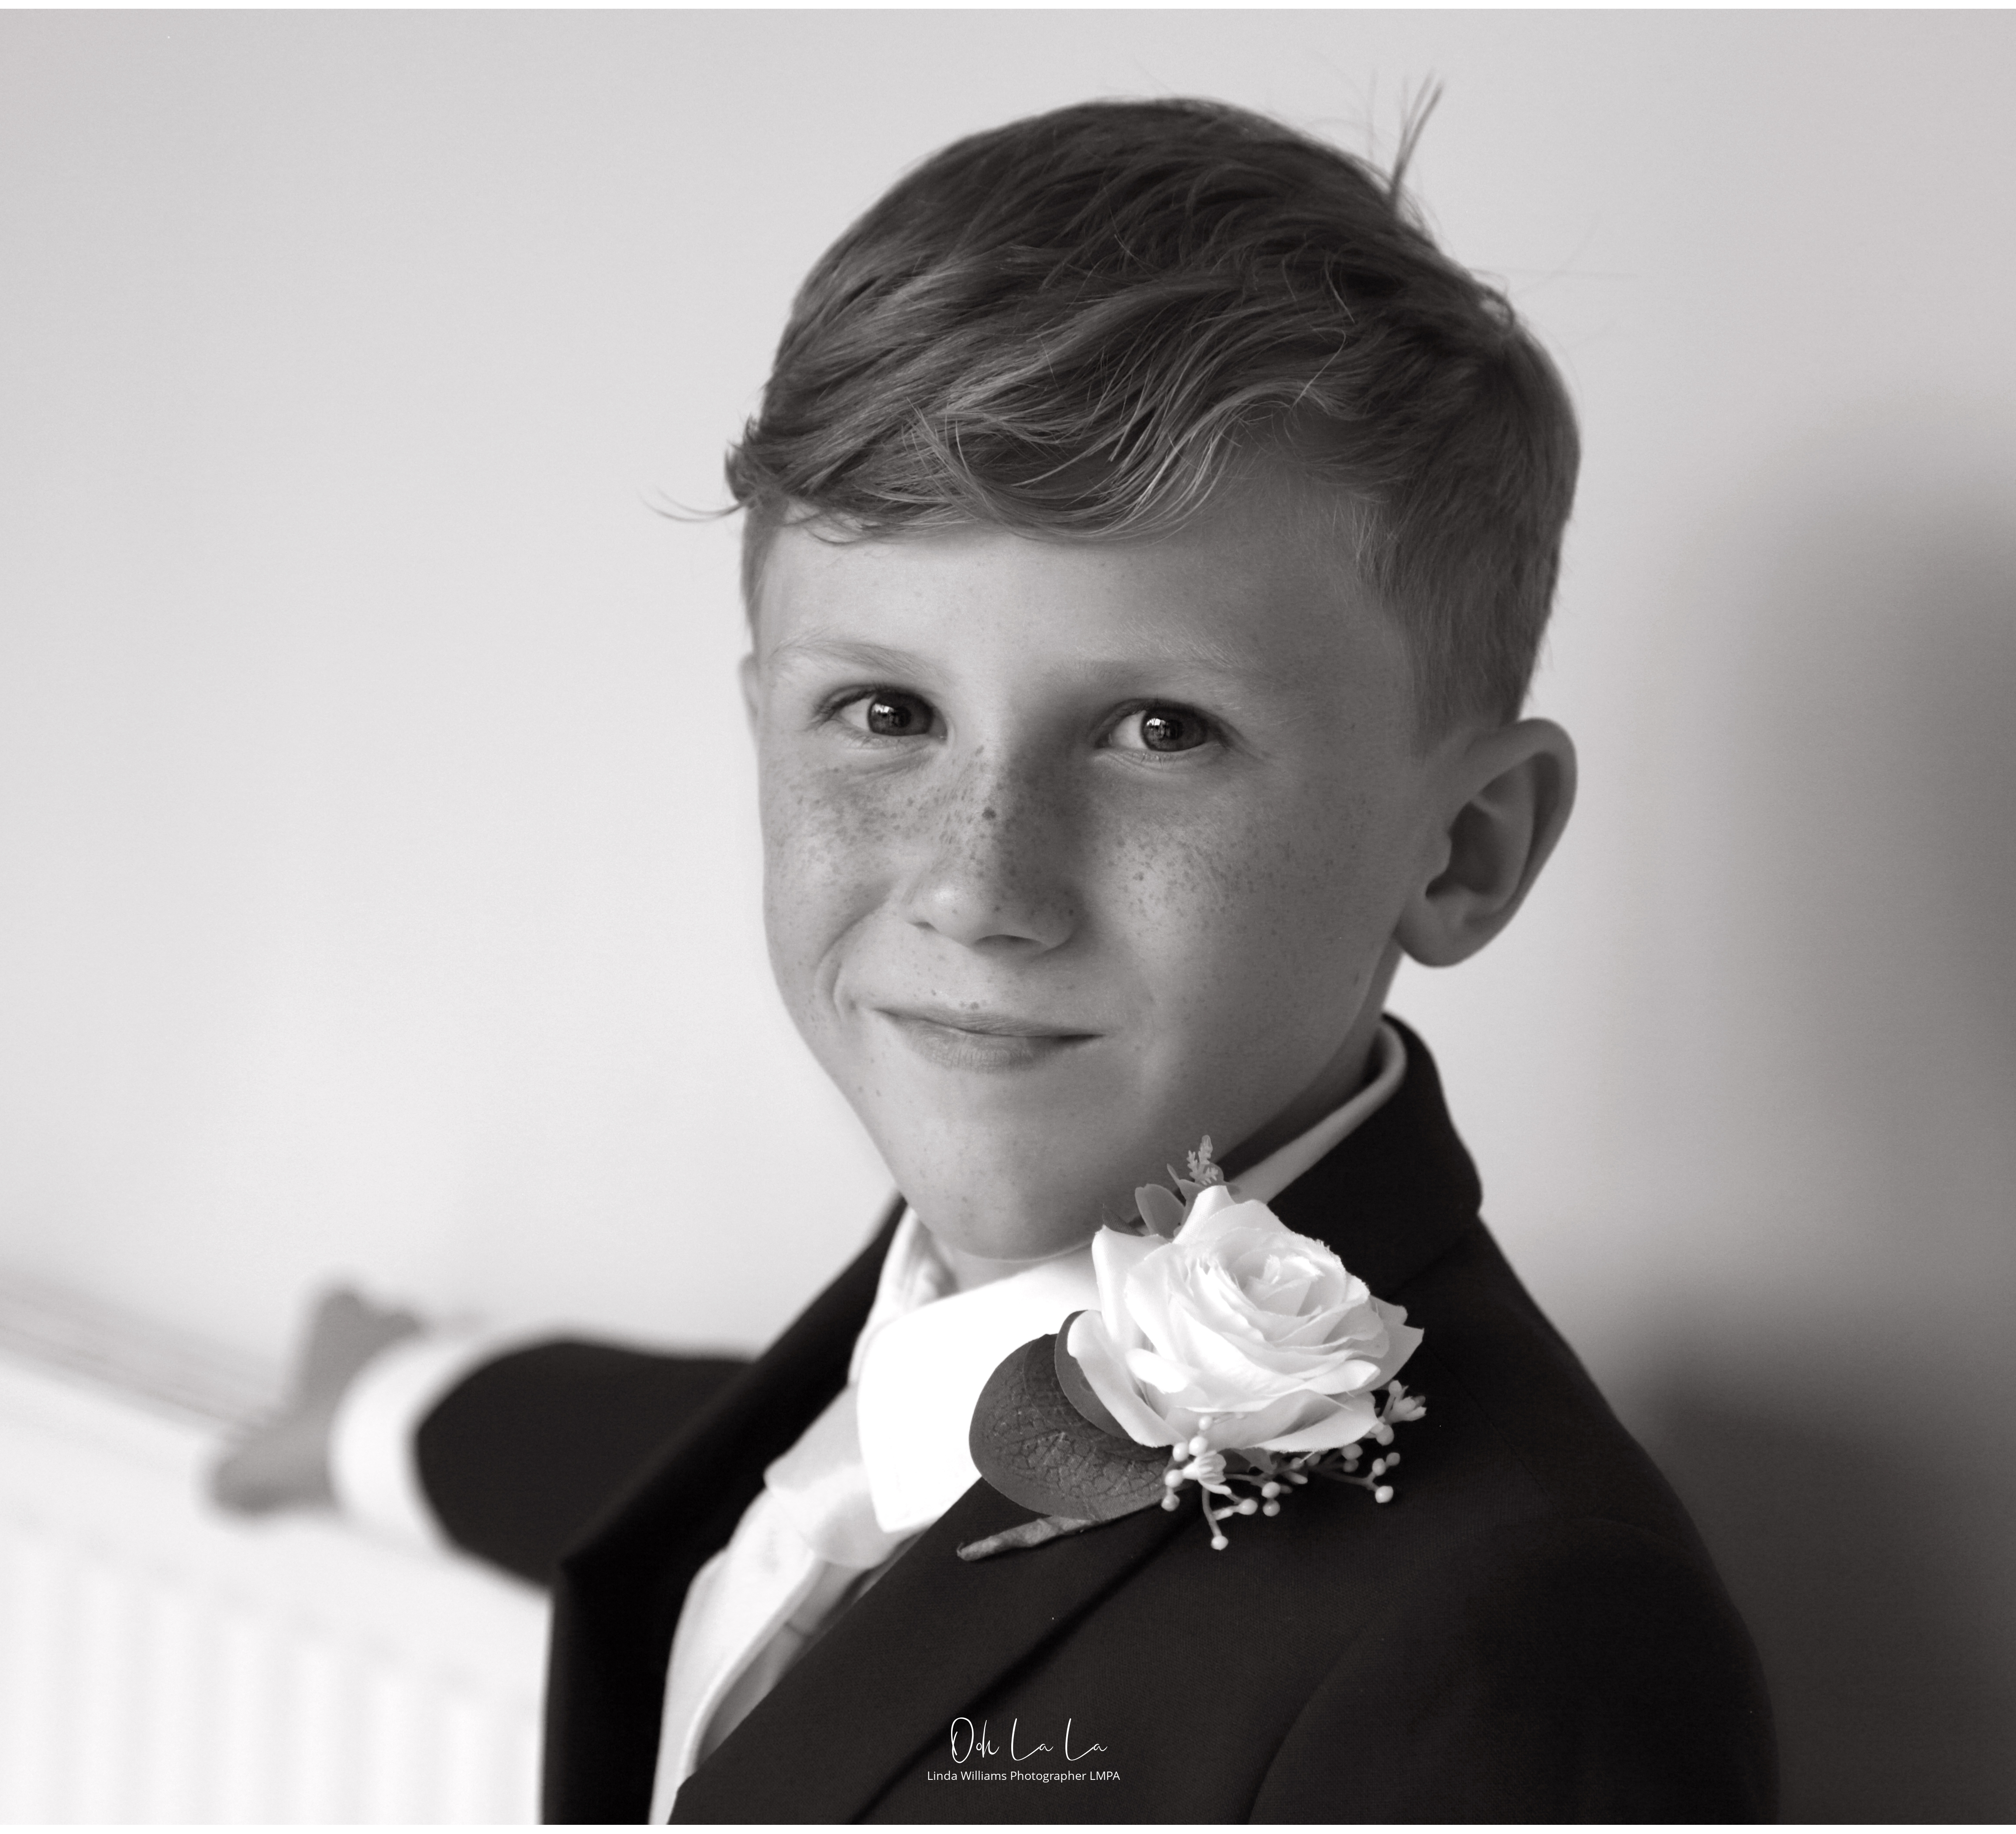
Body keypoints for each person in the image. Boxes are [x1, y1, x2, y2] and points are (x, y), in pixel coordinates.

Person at [214, 95, 1775, 1823]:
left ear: (1463, 849)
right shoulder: (935, 1340)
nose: (976, 881)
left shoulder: (1507, 1658)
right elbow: (765, 1466)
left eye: (1157, 728)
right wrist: (400, 1406)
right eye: (882, 712)